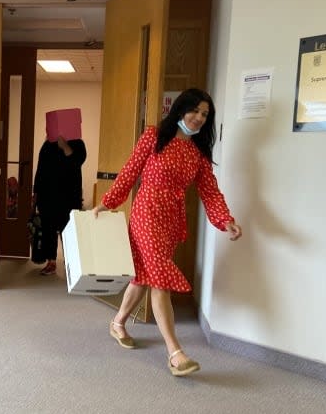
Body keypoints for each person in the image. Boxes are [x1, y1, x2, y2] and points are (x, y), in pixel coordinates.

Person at [92, 88, 242, 376]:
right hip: (146, 212)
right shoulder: (154, 137)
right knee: (159, 279)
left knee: (145, 276)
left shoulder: (197, 154)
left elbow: (210, 193)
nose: (198, 118)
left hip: (171, 220)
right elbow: (129, 172)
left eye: (204, 114)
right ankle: (176, 353)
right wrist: (108, 202)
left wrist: (225, 220)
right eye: (194, 111)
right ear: (180, 109)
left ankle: (118, 322)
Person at [32, 135, 86, 275]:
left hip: (69, 197)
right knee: (49, 229)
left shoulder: (77, 143)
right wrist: (36, 193)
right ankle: (51, 262)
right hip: (47, 196)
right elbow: (40, 169)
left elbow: (77, 162)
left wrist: (65, 147)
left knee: (68, 230)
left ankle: (72, 264)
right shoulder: (47, 145)